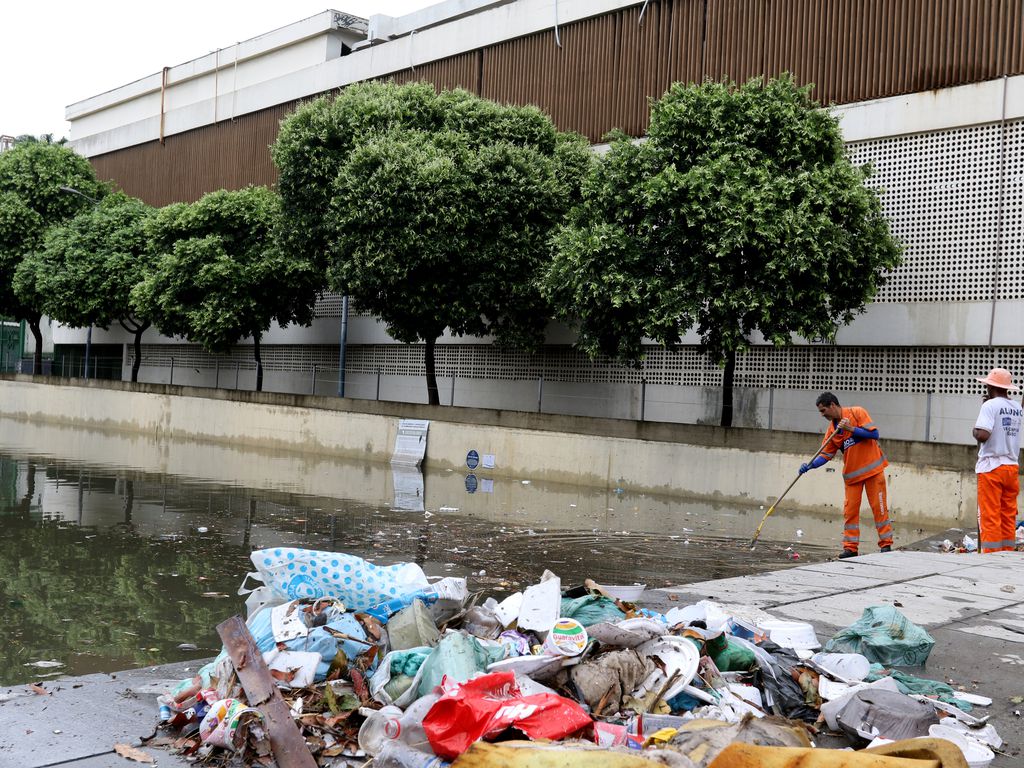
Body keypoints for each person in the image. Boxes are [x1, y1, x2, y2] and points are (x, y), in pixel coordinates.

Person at [798, 392, 893, 558]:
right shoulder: (832, 430)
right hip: (852, 476)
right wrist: (811, 465)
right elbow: (826, 455)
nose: (822, 415)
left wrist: (851, 429)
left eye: (823, 410)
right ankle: (850, 548)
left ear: (832, 405)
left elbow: (874, 434)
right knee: (850, 512)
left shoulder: (857, 413)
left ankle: (886, 545)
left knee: (879, 509)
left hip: (873, 472)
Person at [972, 368, 1022, 553]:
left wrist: (975, 430)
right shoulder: (1017, 407)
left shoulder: (989, 406)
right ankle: (1007, 553)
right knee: (1008, 515)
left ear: (991, 386)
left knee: (990, 516)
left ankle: (991, 557)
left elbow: (983, 435)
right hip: (1011, 468)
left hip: (991, 468)